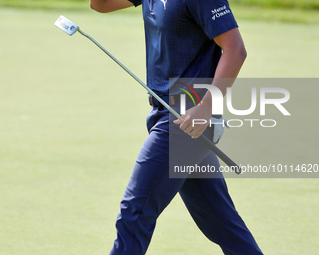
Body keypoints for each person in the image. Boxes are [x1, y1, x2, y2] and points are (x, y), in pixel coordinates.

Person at [89, 0, 264, 254]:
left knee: (135, 213)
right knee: (221, 222)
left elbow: (236, 49)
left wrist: (206, 108)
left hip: (188, 119)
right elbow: (100, 4)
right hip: (166, 113)